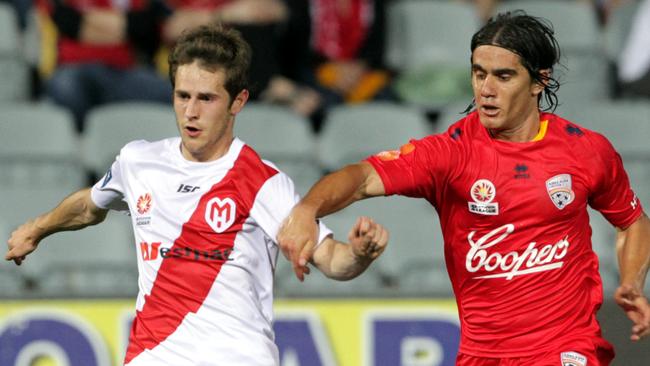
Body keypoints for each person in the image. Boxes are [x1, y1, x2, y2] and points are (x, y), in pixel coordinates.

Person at [278, 11, 650, 365]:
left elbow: (632, 221)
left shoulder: (585, 150)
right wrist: (308, 209)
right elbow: (360, 178)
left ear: (539, 81)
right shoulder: (450, 154)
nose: (485, 90)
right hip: (481, 353)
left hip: (566, 344)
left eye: (503, 77)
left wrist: (632, 282)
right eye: (478, 73)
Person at [5, 24, 388, 365]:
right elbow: (89, 206)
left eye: (206, 99)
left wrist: (358, 254)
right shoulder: (138, 161)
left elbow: (332, 261)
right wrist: (38, 228)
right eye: (182, 96)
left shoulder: (262, 181)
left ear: (238, 102)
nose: (190, 111)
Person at [39, 0, 172, 131]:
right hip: (74, 70)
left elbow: (141, 25)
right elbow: (67, 22)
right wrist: (120, 26)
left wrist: (85, 22)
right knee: (66, 87)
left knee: (174, 95)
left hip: (122, 72)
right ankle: (86, 141)